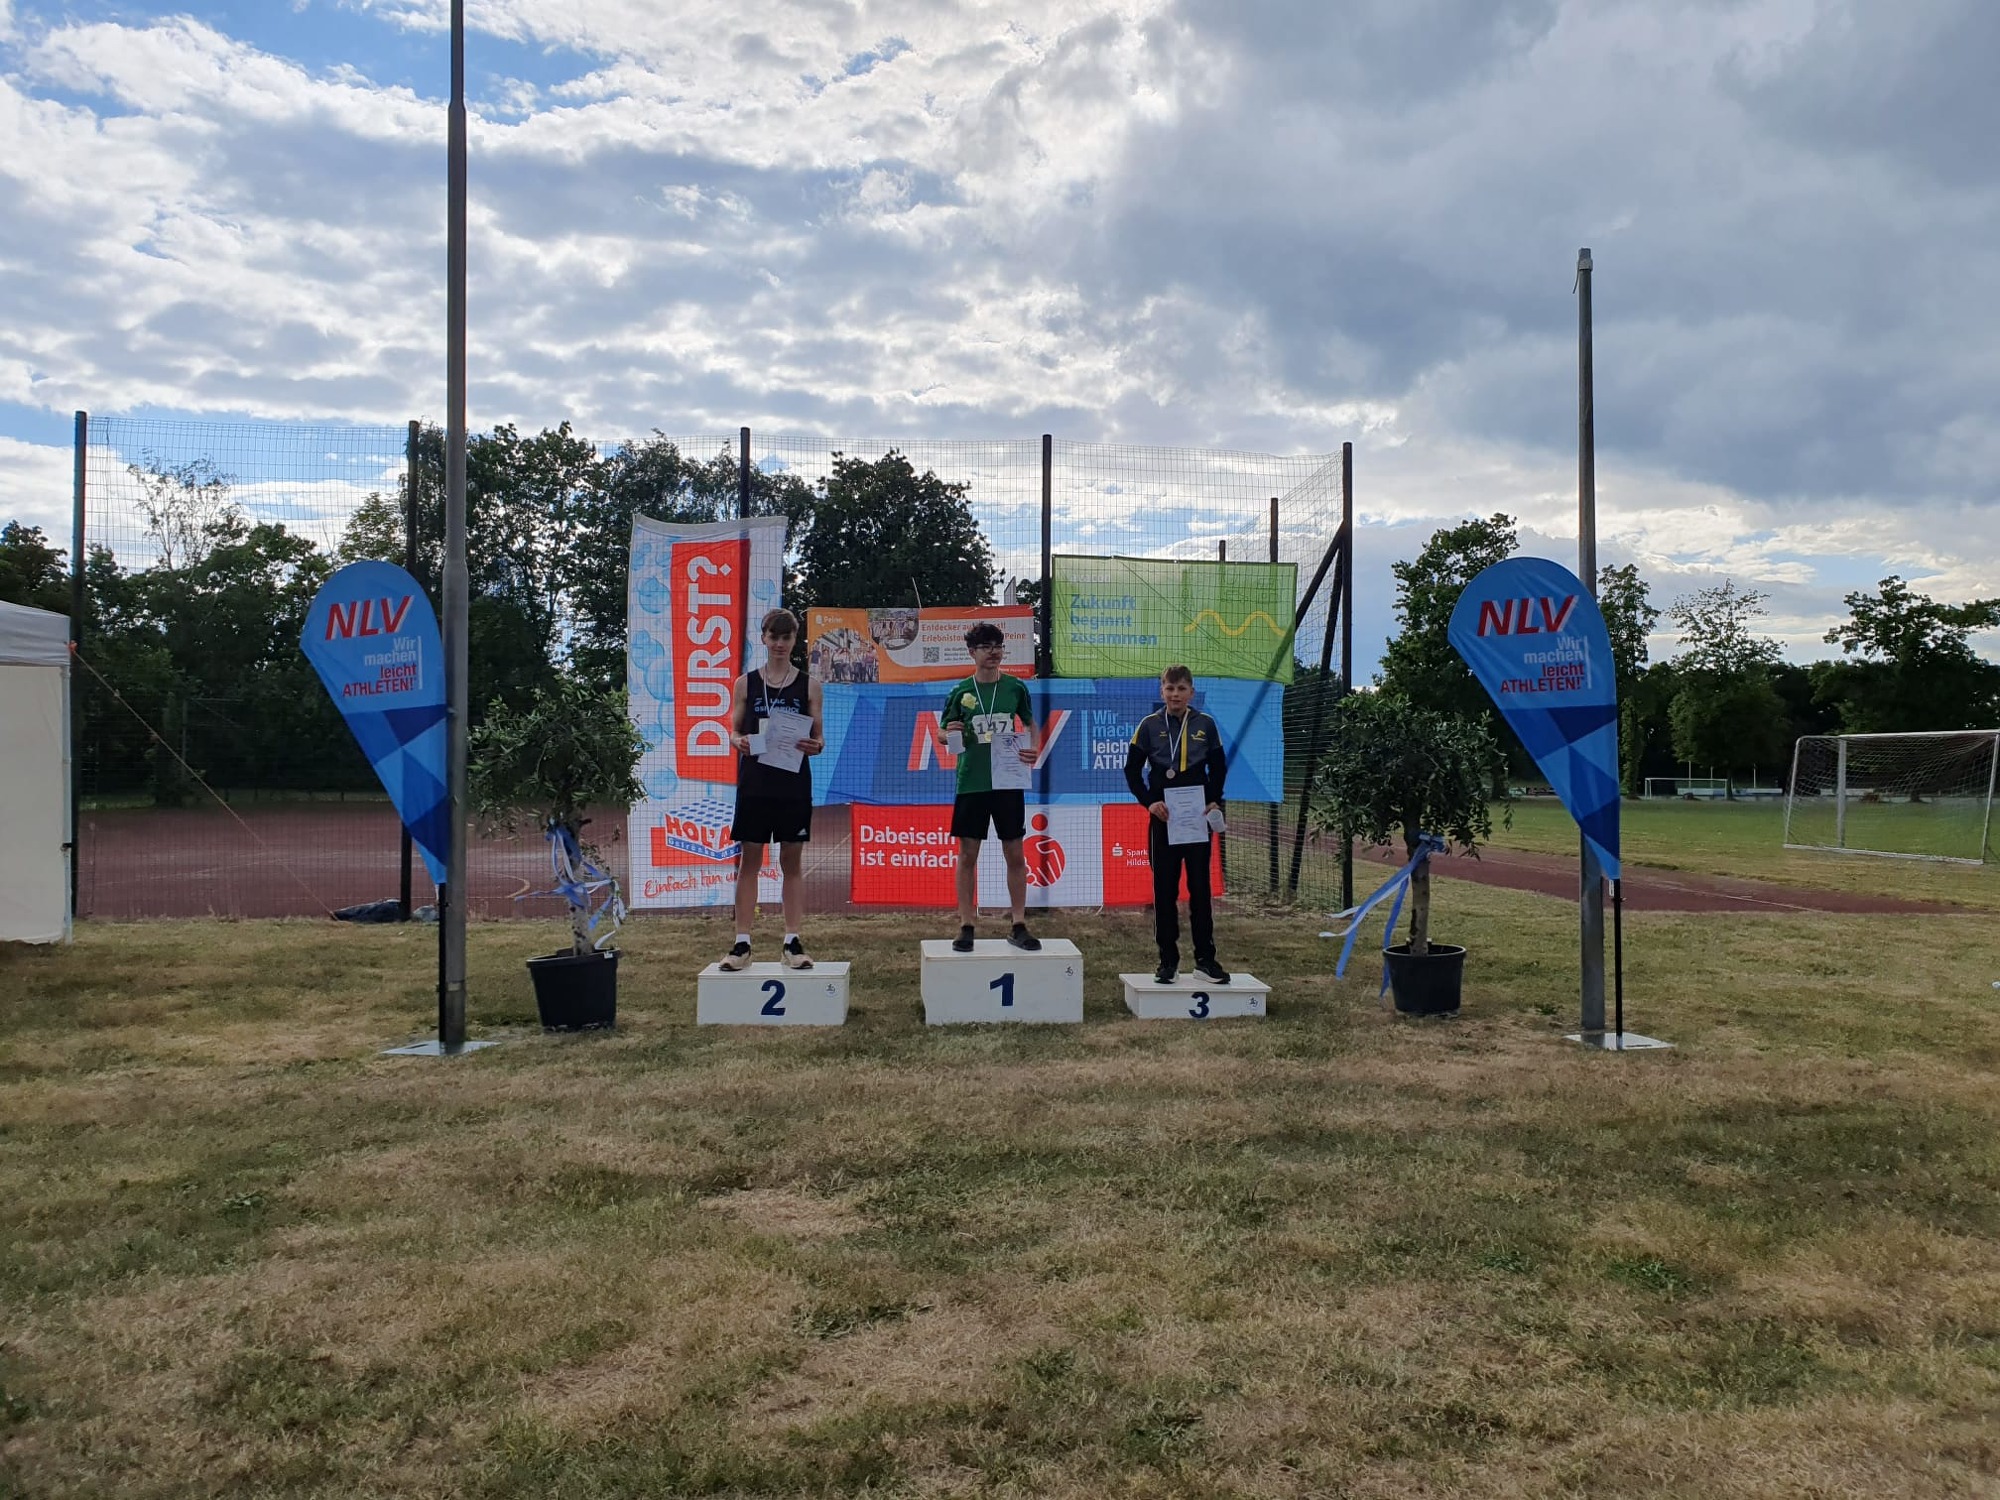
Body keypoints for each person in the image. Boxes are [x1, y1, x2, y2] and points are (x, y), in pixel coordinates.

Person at [719, 609, 824, 971]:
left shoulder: (809, 685)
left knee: (791, 862)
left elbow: (819, 738)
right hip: (756, 783)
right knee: (750, 860)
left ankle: (792, 941)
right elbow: (734, 731)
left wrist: (816, 745)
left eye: (786, 637)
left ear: (795, 640)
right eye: (773, 637)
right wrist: (738, 741)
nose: (780, 644)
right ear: (763, 638)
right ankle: (741, 944)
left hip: (793, 784)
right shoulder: (745, 683)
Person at [1124, 664, 1230, 985]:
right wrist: (1149, 802)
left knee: (1200, 889)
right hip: (1164, 817)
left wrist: (1213, 800)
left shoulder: (1206, 724)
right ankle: (1167, 961)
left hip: (1196, 818)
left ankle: (1205, 960)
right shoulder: (1148, 725)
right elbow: (1132, 771)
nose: (1175, 695)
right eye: (1169, 689)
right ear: (1162, 691)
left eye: (1181, 689)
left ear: (1191, 692)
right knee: (1164, 890)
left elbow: (1218, 767)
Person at [940, 621, 1041, 952]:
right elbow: (942, 732)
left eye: (998, 646)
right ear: (972, 652)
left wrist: (1034, 748)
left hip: (1008, 782)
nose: (993, 652)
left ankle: (1019, 923)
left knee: (1015, 852)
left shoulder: (1015, 688)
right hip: (972, 782)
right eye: (986, 647)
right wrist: (949, 733)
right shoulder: (960, 692)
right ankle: (966, 924)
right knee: (968, 854)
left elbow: (1031, 723)